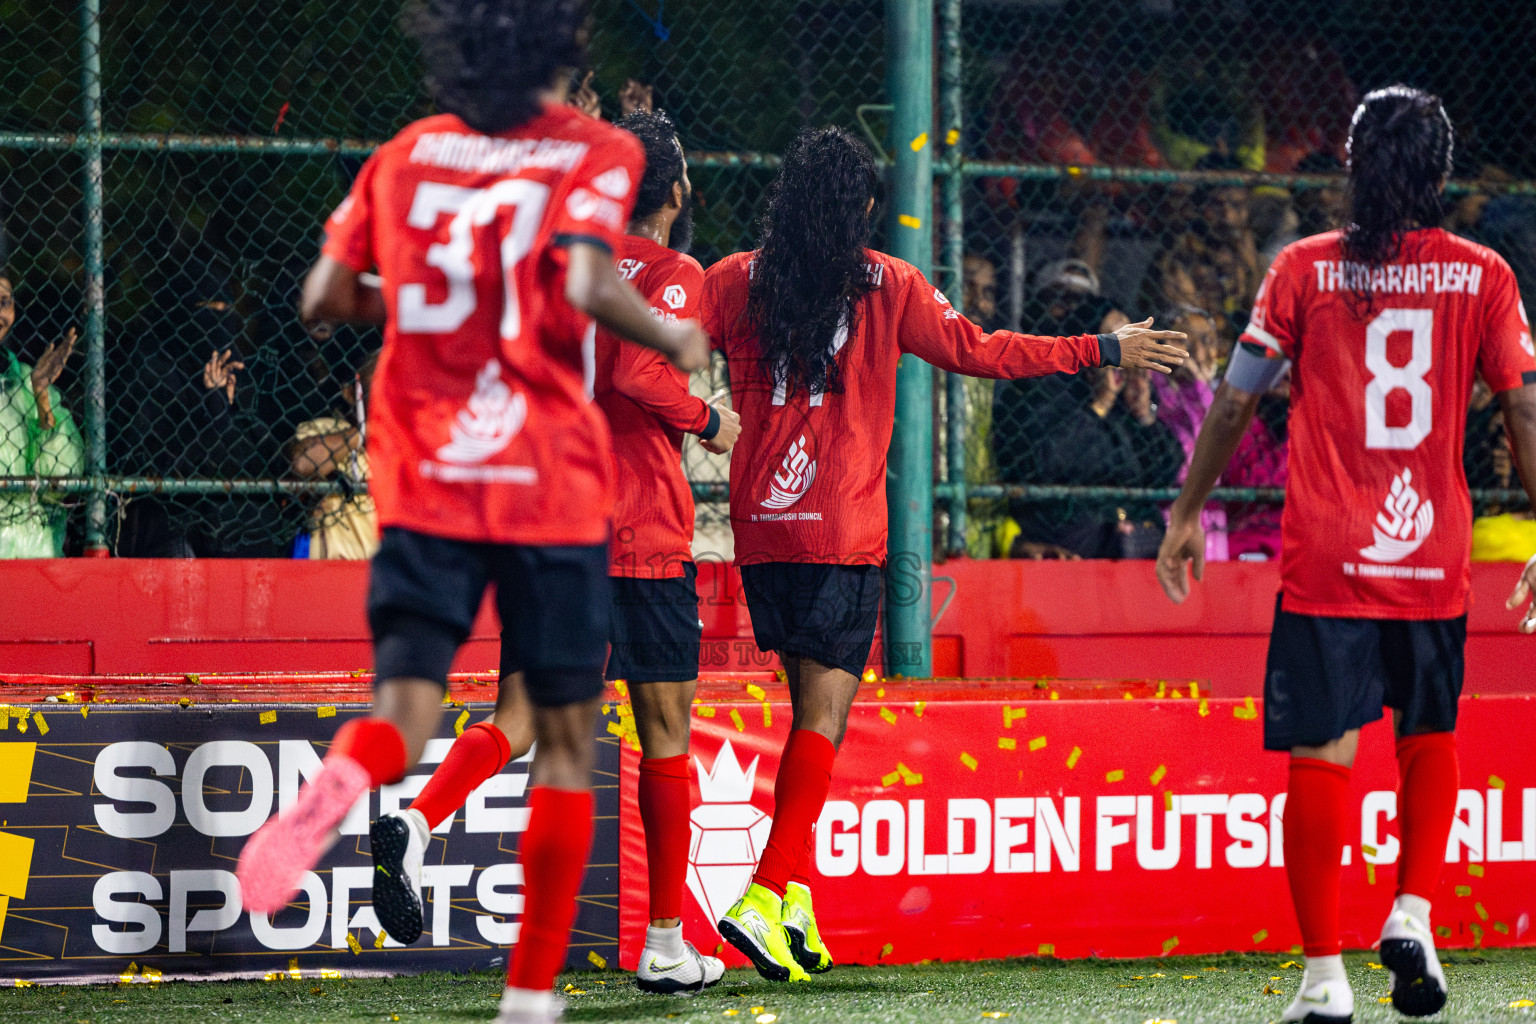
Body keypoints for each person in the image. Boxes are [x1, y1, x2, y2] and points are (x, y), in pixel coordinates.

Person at [233, 4, 710, 1024]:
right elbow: (600, 304)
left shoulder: (412, 154)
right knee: (597, 742)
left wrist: (419, 299)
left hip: (446, 484)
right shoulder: (593, 180)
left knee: (439, 709)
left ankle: (373, 806)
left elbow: (324, 296)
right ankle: (568, 983)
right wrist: (690, 374)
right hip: (588, 504)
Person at [700, 125, 1186, 982]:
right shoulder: (888, 282)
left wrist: (693, 418)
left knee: (810, 712)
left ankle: (795, 899)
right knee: (822, 720)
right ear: (864, 207)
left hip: (763, 533)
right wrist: (1101, 348)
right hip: (840, 533)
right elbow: (984, 351)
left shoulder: (735, 278)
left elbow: (655, 343)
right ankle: (761, 894)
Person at [1155, 86, 1536, 1022]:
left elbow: (1236, 399)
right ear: (1443, 173)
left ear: (1354, 167)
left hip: (1328, 555)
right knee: (1428, 735)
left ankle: (1324, 979)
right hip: (1432, 553)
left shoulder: (1302, 267)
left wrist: (1187, 510)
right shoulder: (1485, 275)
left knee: (1321, 754)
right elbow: (1525, 406)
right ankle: (1412, 911)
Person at [361, 108, 741, 996]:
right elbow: (637, 373)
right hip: (639, 533)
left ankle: (417, 822)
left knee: (520, 716)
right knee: (666, 735)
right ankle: (665, 943)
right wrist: (709, 419)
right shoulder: (674, 272)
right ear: (677, 192)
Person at [0, 271, 82, 557]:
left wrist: (41, 396)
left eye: (4, 302)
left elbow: (63, 477)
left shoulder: (25, 382)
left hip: (34, 558)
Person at [289, 350, 379, 560]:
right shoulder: (325, 429)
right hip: (335, 569)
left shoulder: (412, 441)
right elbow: (302, 464)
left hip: (393, 572)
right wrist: (367, 431)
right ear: (350, 393)